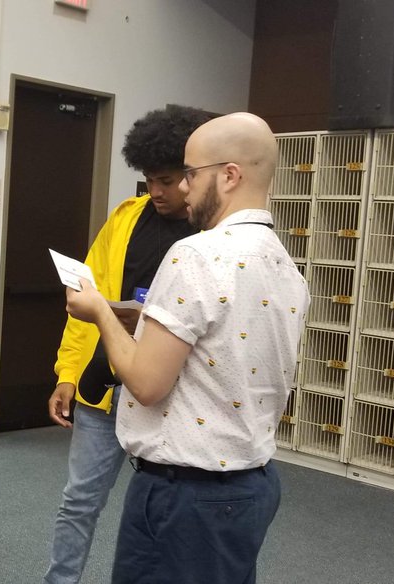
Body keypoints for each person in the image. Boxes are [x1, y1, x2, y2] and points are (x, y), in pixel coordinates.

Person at [64, 112, 310, 583]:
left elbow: (146, 383)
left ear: (229, 175)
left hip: (187, 495)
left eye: (191, 175)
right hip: (249, 484)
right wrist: (149, 324)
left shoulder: (196, 254)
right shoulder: (284, 265)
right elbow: (225, 351)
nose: (183, 190)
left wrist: (98, 312)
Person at [44, 104, 212, 584]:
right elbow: (85, 301)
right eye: (148, 179)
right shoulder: (124, 218)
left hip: (170, 401)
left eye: (165, 180)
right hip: (104, 392)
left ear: (192, 174)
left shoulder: (212, 237)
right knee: (78, 502)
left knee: (163, 514)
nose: (154, 191)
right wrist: (68, 374)